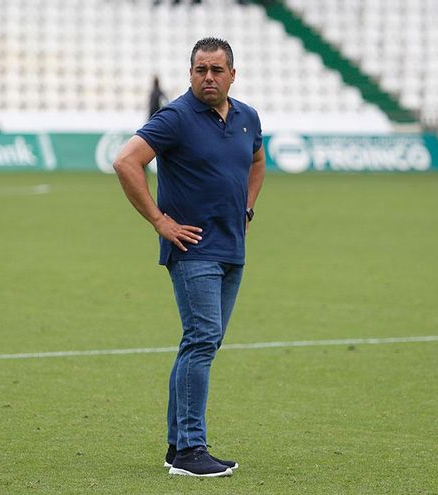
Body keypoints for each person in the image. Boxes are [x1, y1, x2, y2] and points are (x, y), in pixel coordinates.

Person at [113, 37, 265, 478]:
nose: (208, 78)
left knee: (201, 342)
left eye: (217, 70)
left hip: (232, 246)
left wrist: (247, 208)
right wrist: (160, 221)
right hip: (192, 248)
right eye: (201, 70)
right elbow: (126, 162)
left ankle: (177, 445)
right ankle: (192, 450)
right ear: (191, 74)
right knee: (202, 339)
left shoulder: (247, 118)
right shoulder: (175, 117)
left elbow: (257, 161)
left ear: (232, 74)